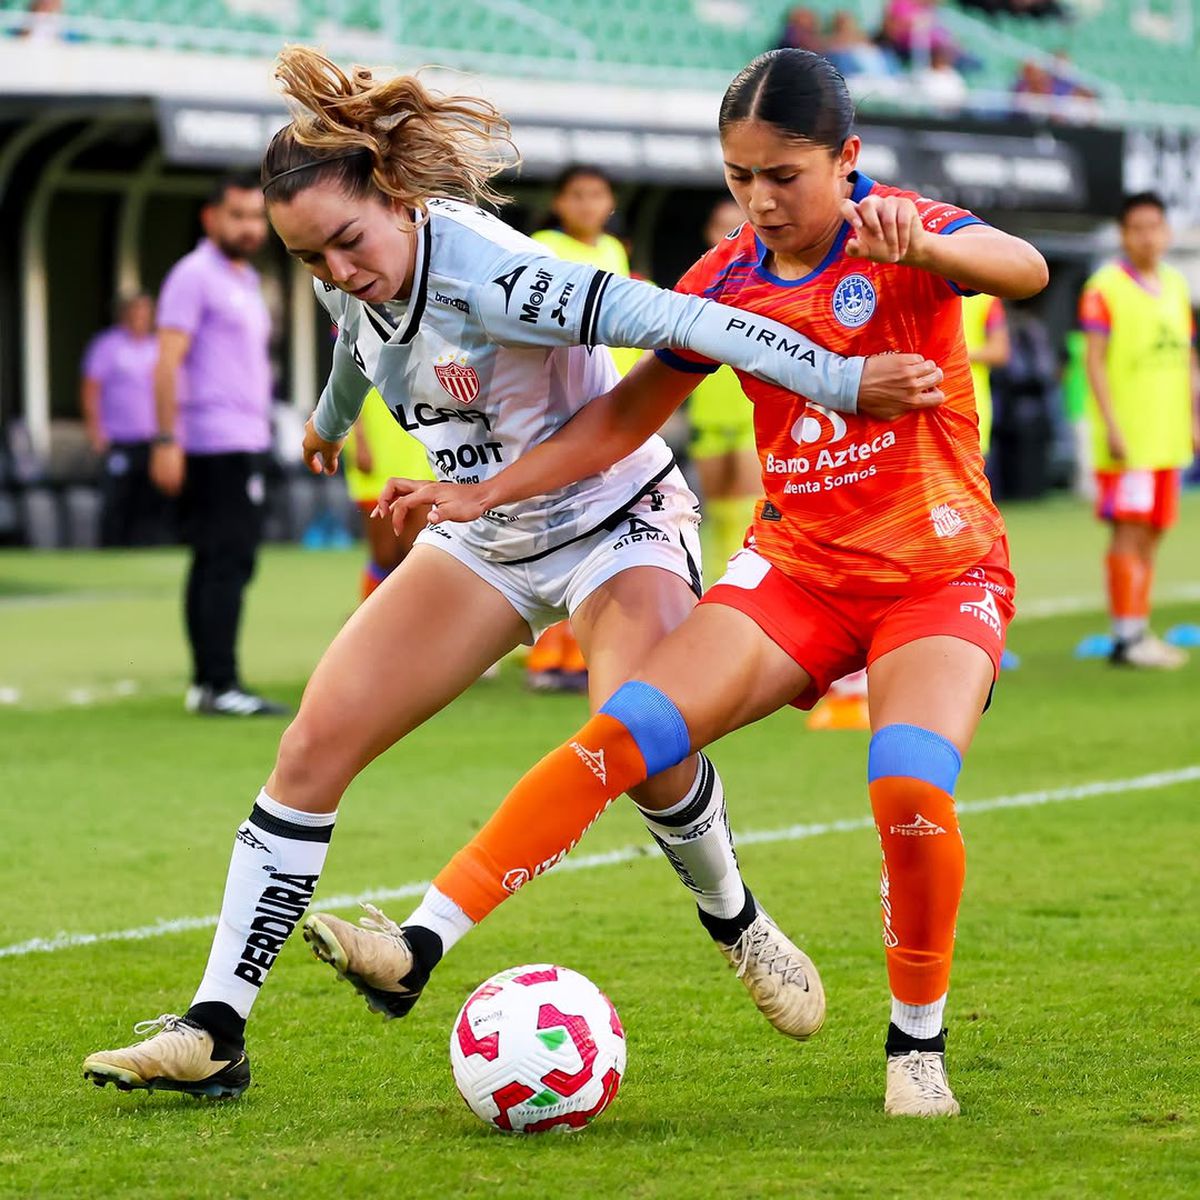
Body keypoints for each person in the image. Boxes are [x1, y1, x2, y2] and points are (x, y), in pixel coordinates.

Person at [81, 46, 946, 1101]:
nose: (337, 272)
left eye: (348, 243)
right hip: (482, 533)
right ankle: (216, 1028)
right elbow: (358, 339)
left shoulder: (497, 274)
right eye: (311, 259)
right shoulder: (347, 270)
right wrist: (328, 425)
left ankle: (737, 921)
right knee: (310, 746)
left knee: (644, 746)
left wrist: (843, 379)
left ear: (399, 199)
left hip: (616, 521)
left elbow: (686, 320)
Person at [378, 49, 1048, 1117]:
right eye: (740, 177)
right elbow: (623, 416)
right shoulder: (726, 277)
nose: (761, 201)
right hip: (798, 575)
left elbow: (1025, 270)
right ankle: (418, 944)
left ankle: (916, 1045)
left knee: (909, 788)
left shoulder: (903, 228)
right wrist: (483, 492)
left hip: (937, 573)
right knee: (624, 736)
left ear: (847, 158)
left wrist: (927, 244)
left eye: (784, 175)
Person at [150, 175, 288, 717]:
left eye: (257, 217)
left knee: (228, 559)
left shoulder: (246, 279)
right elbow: (167, 362)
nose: (250, 228)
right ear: (210, 218)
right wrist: (166, 439)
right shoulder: (193, 275)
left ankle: (210, 681)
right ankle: (219, 683)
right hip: (211, 442)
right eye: (238, 216)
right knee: (223, 560)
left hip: (246, 438)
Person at [526, 164, 639, 690]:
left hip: (608, 405)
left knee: (598, 528)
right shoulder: (543, 247)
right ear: (559, 202)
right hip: (558, 405)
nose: (588, 204)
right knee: (555, 528)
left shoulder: (613, 251)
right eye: (577, 195)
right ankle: (547, 657)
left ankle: (579, 653)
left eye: (597, 194)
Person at [1079, 192, 1199, 669]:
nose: (1148, 237)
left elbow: (1187, 358)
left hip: (1168, 437)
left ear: (1167, 232)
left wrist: (1192, 420)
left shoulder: (1175, 284)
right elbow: (1093, 362)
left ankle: (1138, 628)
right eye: (1138, 228)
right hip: (1129, 439)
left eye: (1155, 227)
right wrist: (1111, 425)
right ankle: (1126, 638)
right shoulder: (1104, 288)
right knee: (1129, 533)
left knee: (1153, 534)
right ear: (1123, 234)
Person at [686, 197, 761, 576]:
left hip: (753, 418)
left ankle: (740, 588)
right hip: (708, 418)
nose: (730, 234)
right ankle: (712, 588)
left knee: (746, 514)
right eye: (722, 226)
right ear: (709, 232)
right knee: (714, 515)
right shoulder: (694, 288)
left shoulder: (767, 284)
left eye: (739, 225)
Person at [80, 293, 172, 547]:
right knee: (116, 500)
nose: (140, 318)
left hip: (152, 440)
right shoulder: (107, 346)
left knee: (151, 502)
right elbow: (90, 390)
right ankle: (111, 549)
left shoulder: (157, 347)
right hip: (118, 440)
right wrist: (95, 431)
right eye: (136, 312)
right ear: (124, 315)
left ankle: (145, 548)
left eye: (145, 313)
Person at [343, 388, 432, 601]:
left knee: (416, 553)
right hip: (376, 456)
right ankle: (370, 614)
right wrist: (359, 438)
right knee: (384, 556)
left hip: (418, 453)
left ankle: (411, 615)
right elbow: (347, 390)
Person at [960, 291, 1009, 456]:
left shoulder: (985, 297)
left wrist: (951, 353)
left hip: (971, 408)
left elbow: (999, 351)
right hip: (923, 407)